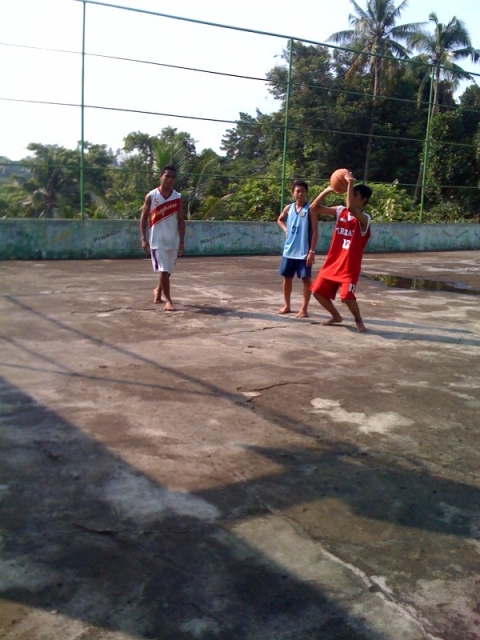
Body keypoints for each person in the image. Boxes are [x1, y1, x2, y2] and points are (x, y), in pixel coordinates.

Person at [310, 170, 372, 332]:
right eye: (352, 193)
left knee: (346, 297)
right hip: (333, 263)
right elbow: (314, 208)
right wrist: (329, 189)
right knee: (316, 291)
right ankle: (336, 316)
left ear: (364, 200)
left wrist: (350, 182)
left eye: (356, 194)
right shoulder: (340, 211)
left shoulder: (365, 219)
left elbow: (351, 207)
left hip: (349, 267)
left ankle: (358, 320)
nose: (352, 196)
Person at [140, 164, 185, 311]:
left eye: (173, 177)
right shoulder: (152, 196)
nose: (170, 180)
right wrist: (143, 237)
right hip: (157, 241)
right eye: (167, 176)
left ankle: (159, 289)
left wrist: (182, 241)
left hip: (173, 240)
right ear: (161, 177)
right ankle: (169, 301)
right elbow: (144, 217)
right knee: (164, 270)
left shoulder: (177, 197)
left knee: (168, 269)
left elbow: (181, 220)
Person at [277, 180, 318, 318]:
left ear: (306, 193)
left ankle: (304, 308)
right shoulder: (288, 208)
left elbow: (315, 231)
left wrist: (311, 251)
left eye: (303, 191)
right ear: (293, 193)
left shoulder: (310, 209)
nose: (300, 193)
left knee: (306, 280)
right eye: (298, 191)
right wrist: (285, 230)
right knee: (287, 278)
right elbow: (280, 219)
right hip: (289, 251)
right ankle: (287, 305)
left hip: (303, 252)